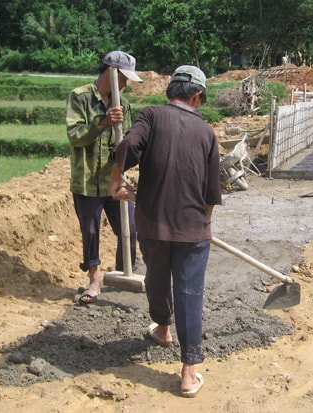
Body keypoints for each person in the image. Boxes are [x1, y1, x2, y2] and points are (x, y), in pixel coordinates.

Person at [109, 65, 222, 398]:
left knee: (156, 280)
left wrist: (117, 177)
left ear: (170, 90)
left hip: (152, 225)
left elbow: (129, 144)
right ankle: (188, 372)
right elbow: (211, 193)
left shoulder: (151, 116)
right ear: (197, 96)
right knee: (190, 294)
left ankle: (162, 328)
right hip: (192, 231)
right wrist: (206, 226)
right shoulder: (207, 133)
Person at [66, 51, 142, 303]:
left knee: (129, 225)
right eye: (124, 78)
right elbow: (75, 136)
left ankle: (123, 270)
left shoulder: (125, 106)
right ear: (111, 73)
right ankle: (94, 280)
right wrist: (103, 123)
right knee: (90, 231)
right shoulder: (80, 97)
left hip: (113, 178)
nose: (126, 84)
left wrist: (124, 152)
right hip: (86, 180)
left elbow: (129, 140)